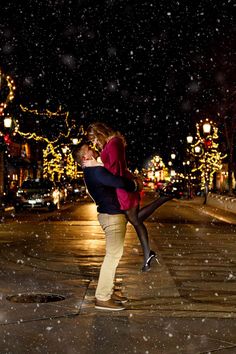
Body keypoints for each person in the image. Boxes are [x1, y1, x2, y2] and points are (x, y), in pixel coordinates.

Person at [84, 122, 173, 272]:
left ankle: (163, 200)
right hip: (121, 186)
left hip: (123, 187)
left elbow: (115, 168)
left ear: (99, 133)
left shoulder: (114, 143)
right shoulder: (111, 143)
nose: (94, 143)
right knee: (136, 220)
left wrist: (96, 165)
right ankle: (147, 255)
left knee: (134, 219)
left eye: (94, 139)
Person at [73, 142, 142, 311]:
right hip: (112, 216)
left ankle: (109, 291)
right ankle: (102, 297)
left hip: (110, 215)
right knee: (112, 256)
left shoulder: (92, 170)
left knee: (114, 255)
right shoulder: (95, 171)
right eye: (89, 149)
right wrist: (134, 185)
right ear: (85, 157)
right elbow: (117, 181)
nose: (92, 149)